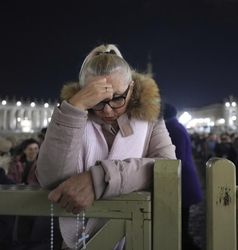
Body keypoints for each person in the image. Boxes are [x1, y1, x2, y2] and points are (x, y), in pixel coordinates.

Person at [36, 44, 176, 249]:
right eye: (98, 101)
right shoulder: (70, 116)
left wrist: (100, 179)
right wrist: (74, 109)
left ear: (132, 89)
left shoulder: (151, 119)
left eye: (118, 98)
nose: (108, 110)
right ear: (83, 93)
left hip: (136, 236)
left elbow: (168, 168)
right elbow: (50, 177)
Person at [163, 103, 203, 250]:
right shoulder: (177, 126)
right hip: (185, 180)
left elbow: (175, 157)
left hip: (181, 182)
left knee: (180, 223)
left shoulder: (171, 128)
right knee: (181, 221)